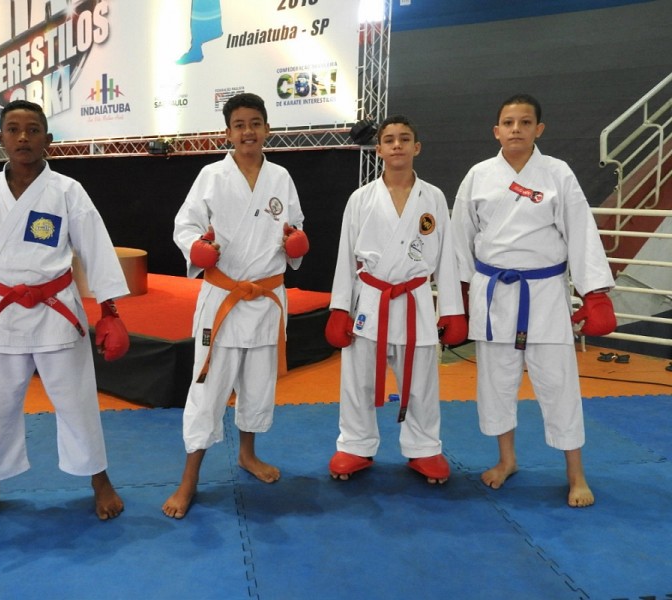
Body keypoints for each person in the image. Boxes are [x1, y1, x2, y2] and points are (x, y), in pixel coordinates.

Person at [0, 100, 131, 530]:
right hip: (1, 315)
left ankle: (99, 480)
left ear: (47, 140)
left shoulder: (67, 191)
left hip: (57, 312)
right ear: (0, 138)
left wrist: (109, 312)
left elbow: (96, 249)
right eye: (13, 129)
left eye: (33, 130)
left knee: (77, 402)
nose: (23, 137)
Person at [451, 94, 616, 507]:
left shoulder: (557, 173)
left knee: (559, 383)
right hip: (493, 294)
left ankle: (576, 474)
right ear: (496, 131)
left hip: (544, 294)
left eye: (525, 122)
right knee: (496, 382)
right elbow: (459, 239)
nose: (516, 129)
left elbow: (581, 232)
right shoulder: (478, 175)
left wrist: (594, 294)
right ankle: (506, 460)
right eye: (508, 123)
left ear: (538, 129)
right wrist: (458, 298)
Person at [164, 92, 309, 519]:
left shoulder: (281, 176)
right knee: (207, 389)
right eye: (240, 125)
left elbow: (294, 226)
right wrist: (197, 248)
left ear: (267, 129)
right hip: (224, 298)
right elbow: (185, 225)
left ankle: (247, 454)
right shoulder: (211, 175)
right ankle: (189, 478)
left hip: (266, 299)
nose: (248, 132)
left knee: (258, 385)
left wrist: (296, 242)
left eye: (255, 123)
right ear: (227, 132)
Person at [324, 115, 467, 484]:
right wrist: (340, 308)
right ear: (379, 149)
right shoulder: (361, 199)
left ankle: (424, 448)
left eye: (405, 139)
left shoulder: (433, 197)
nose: (397, 145)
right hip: (370, 299)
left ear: (416, 147)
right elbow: (346, 257)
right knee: (358, 380)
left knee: (421, 382)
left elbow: (447, 256)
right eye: (389, 140)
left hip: (415, 297)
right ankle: (355, 445)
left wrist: (452, 310)